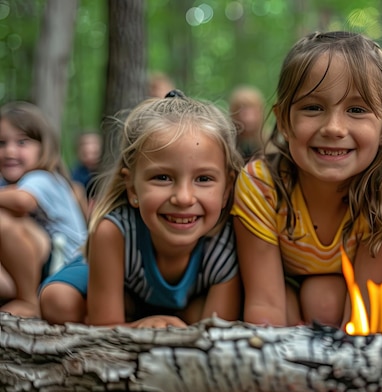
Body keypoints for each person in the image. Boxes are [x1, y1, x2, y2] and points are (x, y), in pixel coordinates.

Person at [231, 31, 382, 328]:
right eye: (313, 107)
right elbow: (265, 304)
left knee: (324, 299)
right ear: (285, 121)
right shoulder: (261, 185)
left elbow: (368, 307)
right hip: (283, 305)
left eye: (357, 109)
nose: (334, 128)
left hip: (337, 312)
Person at [39, 91, 244, 328]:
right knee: (59, 302)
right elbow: (103, 326)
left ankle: (141, 310)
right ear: (132, 188)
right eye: (163, 177)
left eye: (204, 179)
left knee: (202, 317)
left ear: (227, 188)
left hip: (173, 299)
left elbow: (217, 331)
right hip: (107, 277)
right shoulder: (115, 231)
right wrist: (140, 327)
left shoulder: (226, 243)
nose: (184, 198)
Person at [0, 101, 87, 318]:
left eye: (22, 142)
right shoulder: (6, 184)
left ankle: (28, 301)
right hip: (41, 266)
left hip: (67, 270)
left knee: (5, 221)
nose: (9, 151)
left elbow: (22, 202)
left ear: (43, 147)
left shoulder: (42, 178)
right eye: (1, 143)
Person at [229, 85, 266, 162]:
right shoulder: (228, 144)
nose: (248, 116)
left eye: (252, 109)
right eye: (241, 109)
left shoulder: (270, 143)